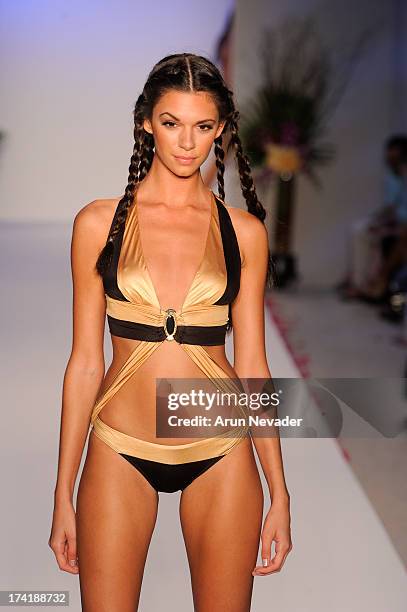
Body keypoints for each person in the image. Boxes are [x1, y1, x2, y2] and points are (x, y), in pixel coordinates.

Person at [48, 53, 292, 611]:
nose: (187, 142)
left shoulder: (244, 232)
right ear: (145, 122)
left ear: (222, 130)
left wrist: (279, 490)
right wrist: (63, 490)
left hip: (222, 449)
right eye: (171, 123)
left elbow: (253, 364)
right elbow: (85, 361)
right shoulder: (98, 224)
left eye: (203, 127)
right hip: (119, 447)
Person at [338, 135, 407, 300]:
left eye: (395, 157)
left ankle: (369, 283)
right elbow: (391, 206)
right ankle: (359, 282)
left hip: (401, 226)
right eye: (389, 156)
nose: (391, 160)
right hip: (395, 222)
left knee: (365, 233)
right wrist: (378, 220)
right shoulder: (393, 177)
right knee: (360, 228)